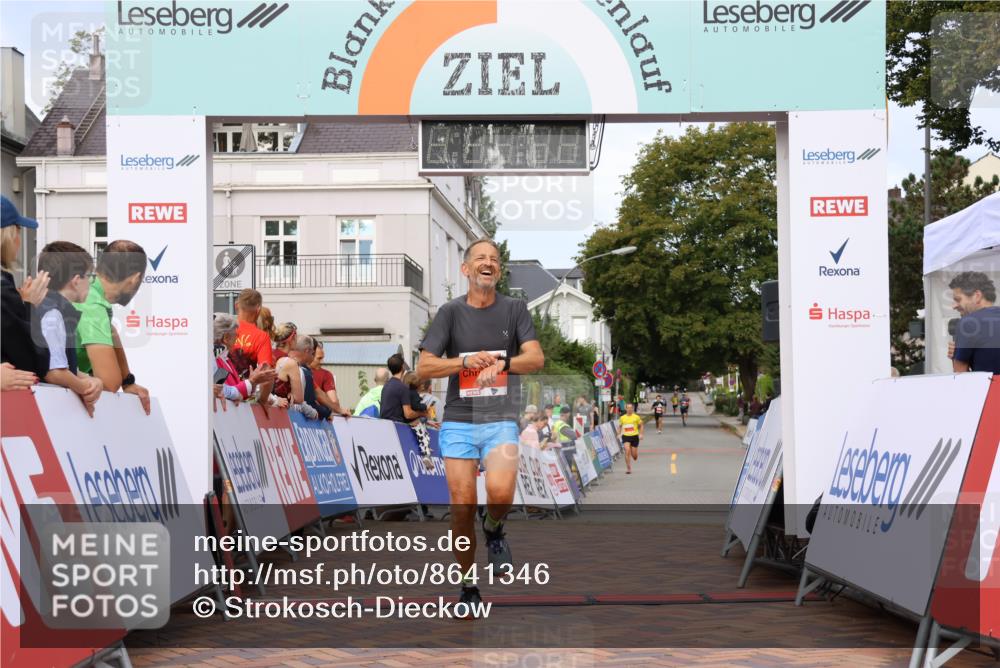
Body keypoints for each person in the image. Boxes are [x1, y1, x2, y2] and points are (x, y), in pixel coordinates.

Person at [417, 237, 544, 614]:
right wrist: (466, 362)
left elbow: (535, 358)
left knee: (501, 493)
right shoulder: (450, 313)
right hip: (458, 420)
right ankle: (468, 586)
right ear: (466, 269)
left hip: (499, 419)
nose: (488, 263)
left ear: (498, 271)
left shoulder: (515, 309)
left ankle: (493, 527)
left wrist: (502, 365)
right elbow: (424, 367)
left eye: (494, 259)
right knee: (461, 505)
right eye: (480, 259)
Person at [74, 239, 151, 414]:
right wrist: (121, 381)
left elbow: (111, 330)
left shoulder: (91, 288)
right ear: (135, 279)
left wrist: (127, 380)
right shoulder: (92, 304)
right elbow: (109, 383)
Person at [32, 242, 103, 415]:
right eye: (89, 276)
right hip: (47, 411)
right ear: (76, 281)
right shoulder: (53, 313)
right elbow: (54, 372)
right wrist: (85, 388)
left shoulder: (51, 308)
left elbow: (62, 364)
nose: (91, 283)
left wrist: (92, 380)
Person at [1, 195, 49, 379]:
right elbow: (33, 364)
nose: (19, 241)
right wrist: (29, 306)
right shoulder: (3, 291)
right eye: (18, 231)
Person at [214, 313, 276, 402]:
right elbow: (223, 391)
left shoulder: (225, 359)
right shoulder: (215, 360)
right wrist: (252, 381)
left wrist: (252, 383)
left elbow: (237, 393)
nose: (237, 339)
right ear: (226, 338)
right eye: (236, 335)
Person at [948, 271, 1000, 374]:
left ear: (977, 295)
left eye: (958, 300)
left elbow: (961, 376)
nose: (954, 306)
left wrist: (956, 357)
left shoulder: (968, 323)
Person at [231, 288, 274, 373]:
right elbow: (266, 373)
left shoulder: (223, 330)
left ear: (236, 305)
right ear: (258, 310)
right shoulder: (261, 336)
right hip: (247, 384)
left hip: (221, 384)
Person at [310, 341, 351, 417]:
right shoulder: (326, 374)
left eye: (322, 358)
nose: (322, 361)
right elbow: (334, 400)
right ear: (310, 355)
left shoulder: (297, 369)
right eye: (319, 358)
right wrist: (339, 409)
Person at [618, 402, 643, 474]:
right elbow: (619, 426)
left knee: (634, 456)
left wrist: (641, 434)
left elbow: (641, 425)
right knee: (627, 450)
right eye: (627, 408)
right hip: (626, 436)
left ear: (632, 408)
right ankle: (628, 468)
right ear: (626, 409)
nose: (629, 409)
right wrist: (618, 434)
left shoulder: (636, 417)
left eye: (630, 408)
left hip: (634, 436)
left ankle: (634, 453)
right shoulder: (622, 418)